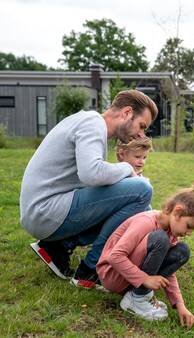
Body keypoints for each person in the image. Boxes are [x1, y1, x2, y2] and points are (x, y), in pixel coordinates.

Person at [20, 90, 158, 289]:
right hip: (45, 211)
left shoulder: (90, 123)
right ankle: (90, 269)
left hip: (44, 211)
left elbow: (95, 182)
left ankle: (57, 247)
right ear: (127, 113)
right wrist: (128, 169)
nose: (140, 134)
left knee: (138, 200)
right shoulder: (92, 124)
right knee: (142, 189)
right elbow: (91, 174)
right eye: (141, 126)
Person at [96, 179, 194, 329]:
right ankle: (137, 299)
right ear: (177, 212)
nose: (189, 233)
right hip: (113, 275)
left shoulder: (171, 232)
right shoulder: (147, 222)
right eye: (189, 226)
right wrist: (145, 278)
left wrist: (179, 304)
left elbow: (169, 271)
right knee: (160, 239)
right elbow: (115, 256)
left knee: (182, 251)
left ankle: (136, 294)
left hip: (129, 277)